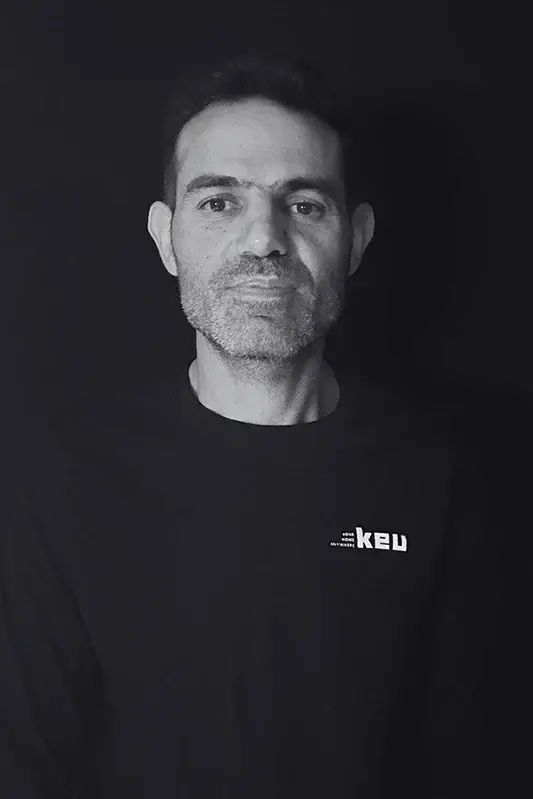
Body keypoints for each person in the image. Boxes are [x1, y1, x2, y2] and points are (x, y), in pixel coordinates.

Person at [0, 50, 501, 798]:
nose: (264, 239)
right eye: (218, 202)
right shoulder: (66, 477)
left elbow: (476, 759)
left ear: (357, 239)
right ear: (166, 238)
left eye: (305, 204)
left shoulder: (440, 475)